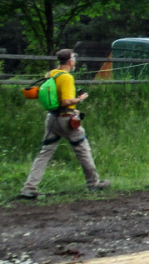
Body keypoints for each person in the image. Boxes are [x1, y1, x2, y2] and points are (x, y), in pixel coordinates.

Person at [20, 49, 110, 199]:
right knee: (82, 148)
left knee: (45, 153)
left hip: (52, 118)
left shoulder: (50, 74)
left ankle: (29, 188)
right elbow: (66, 101)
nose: (74, 61)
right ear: (70, 61)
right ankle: (93, 183)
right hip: (66, 119)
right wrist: (80, 99)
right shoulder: (67, 77)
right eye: (74, 58)